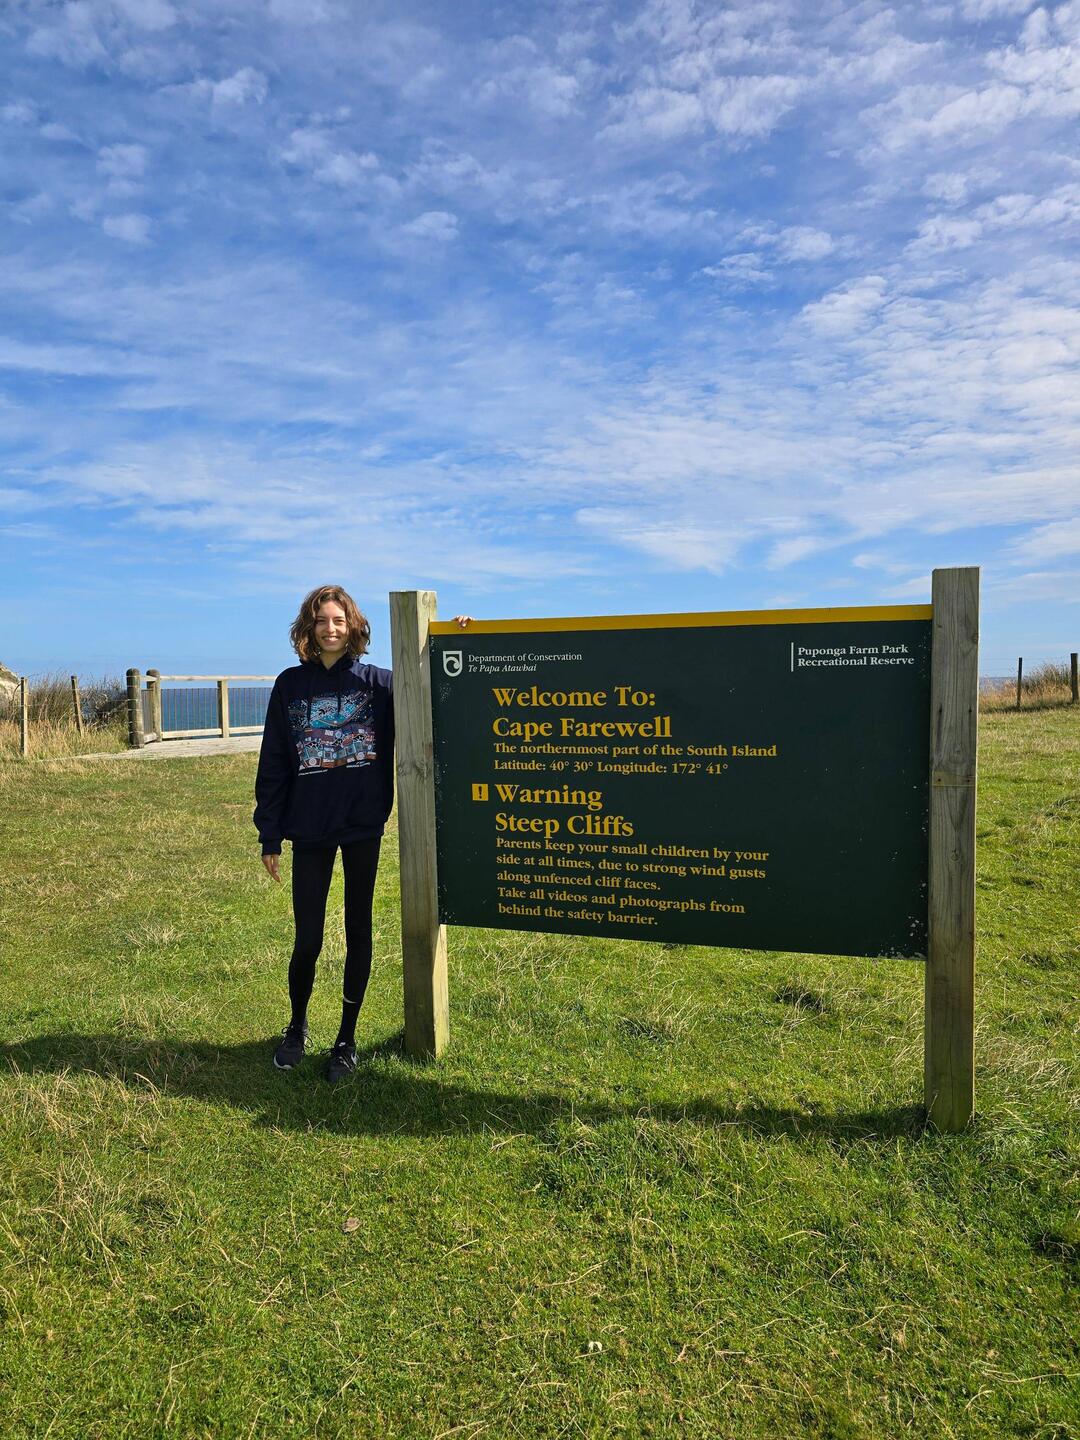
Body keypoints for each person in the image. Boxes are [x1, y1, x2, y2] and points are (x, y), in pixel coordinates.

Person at [254, 585, 468, 1082]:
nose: (330, 629)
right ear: (308, 629)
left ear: (353, 626)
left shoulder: (380, 685)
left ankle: (346, 1040)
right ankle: (296, 1027)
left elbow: (432, 693)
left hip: (361, 828)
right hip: (309, 829)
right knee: (308, 937)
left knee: (358, 931)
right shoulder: (290, 685)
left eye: (339, 620)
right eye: (321, 621)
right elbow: (275, 761)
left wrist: (454, 643)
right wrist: (270, 834)